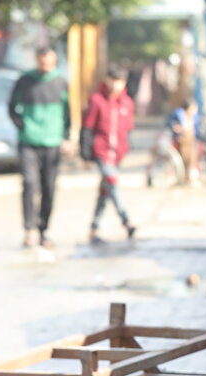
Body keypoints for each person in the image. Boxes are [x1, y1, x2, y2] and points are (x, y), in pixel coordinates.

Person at [8, 46, 71, 248]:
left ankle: (44, 230)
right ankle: (28, 229)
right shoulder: (25, 81)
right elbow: (11, 107)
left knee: (49, 187)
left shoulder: (61, 82)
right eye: (42, 62)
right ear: (37, 60)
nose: (45, 66)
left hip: (52, 143)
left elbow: (68, 113)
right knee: (29, 183)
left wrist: (66, 137)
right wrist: (22, 125)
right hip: (28, 142)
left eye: (49, 63)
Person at [80, 65, 135, 244]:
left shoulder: (127, 103)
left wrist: (126, 150)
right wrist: (85, 155)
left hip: (117, 153)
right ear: (106, 80)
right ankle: (126, 221)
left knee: (105, 191)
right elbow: (87, 127)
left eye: (119, 82)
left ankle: (94, 228)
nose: (115, 85)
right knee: (112, 182)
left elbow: (127, 129)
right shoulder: (96, 100)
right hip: (101, 151)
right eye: (113, 80)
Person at [166, 97, 200, 184]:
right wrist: (177, 128)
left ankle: (191, 172)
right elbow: (171, 124)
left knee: (194, 152)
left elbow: (197, 132)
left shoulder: (195, 118)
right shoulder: (178, 115)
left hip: (191, 141)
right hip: (180, 141)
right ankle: (187, 173)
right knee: (186, 152)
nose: (194, 110)